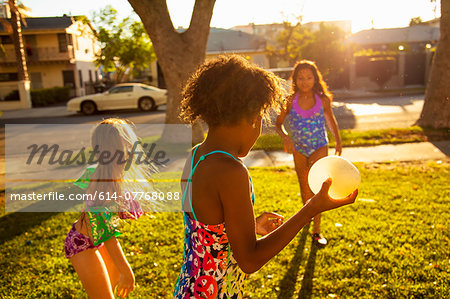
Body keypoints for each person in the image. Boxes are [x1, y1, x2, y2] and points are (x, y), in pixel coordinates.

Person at [173, 55, 357, 298]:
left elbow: (206, 227)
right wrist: (311, 208)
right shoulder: (231, 171)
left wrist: (249, 225)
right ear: (252, 118)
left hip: (189, 288)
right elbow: (249, 260)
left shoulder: (196, 156)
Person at [64, 118, 153, 298]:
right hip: (83, 245)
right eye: (128, 143)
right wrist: (127, 271)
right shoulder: (105, 181)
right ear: (120, 148)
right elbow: (107, 233)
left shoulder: (107, 173)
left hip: (97, 240)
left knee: (108, 292)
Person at [275, 60, 342, 247]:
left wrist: (338, 141)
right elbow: (278, 124)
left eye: (309, 77)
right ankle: (306, 218)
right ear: (295, 79)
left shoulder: (322, 99)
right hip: (299, 149)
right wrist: (285, 137)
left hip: (319, 146)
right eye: (301, 78)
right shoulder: (289, 101)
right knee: (305, 189)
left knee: (318, 188)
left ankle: (316, 230)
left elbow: (331, 119)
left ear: (315, 79)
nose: (305, 81)